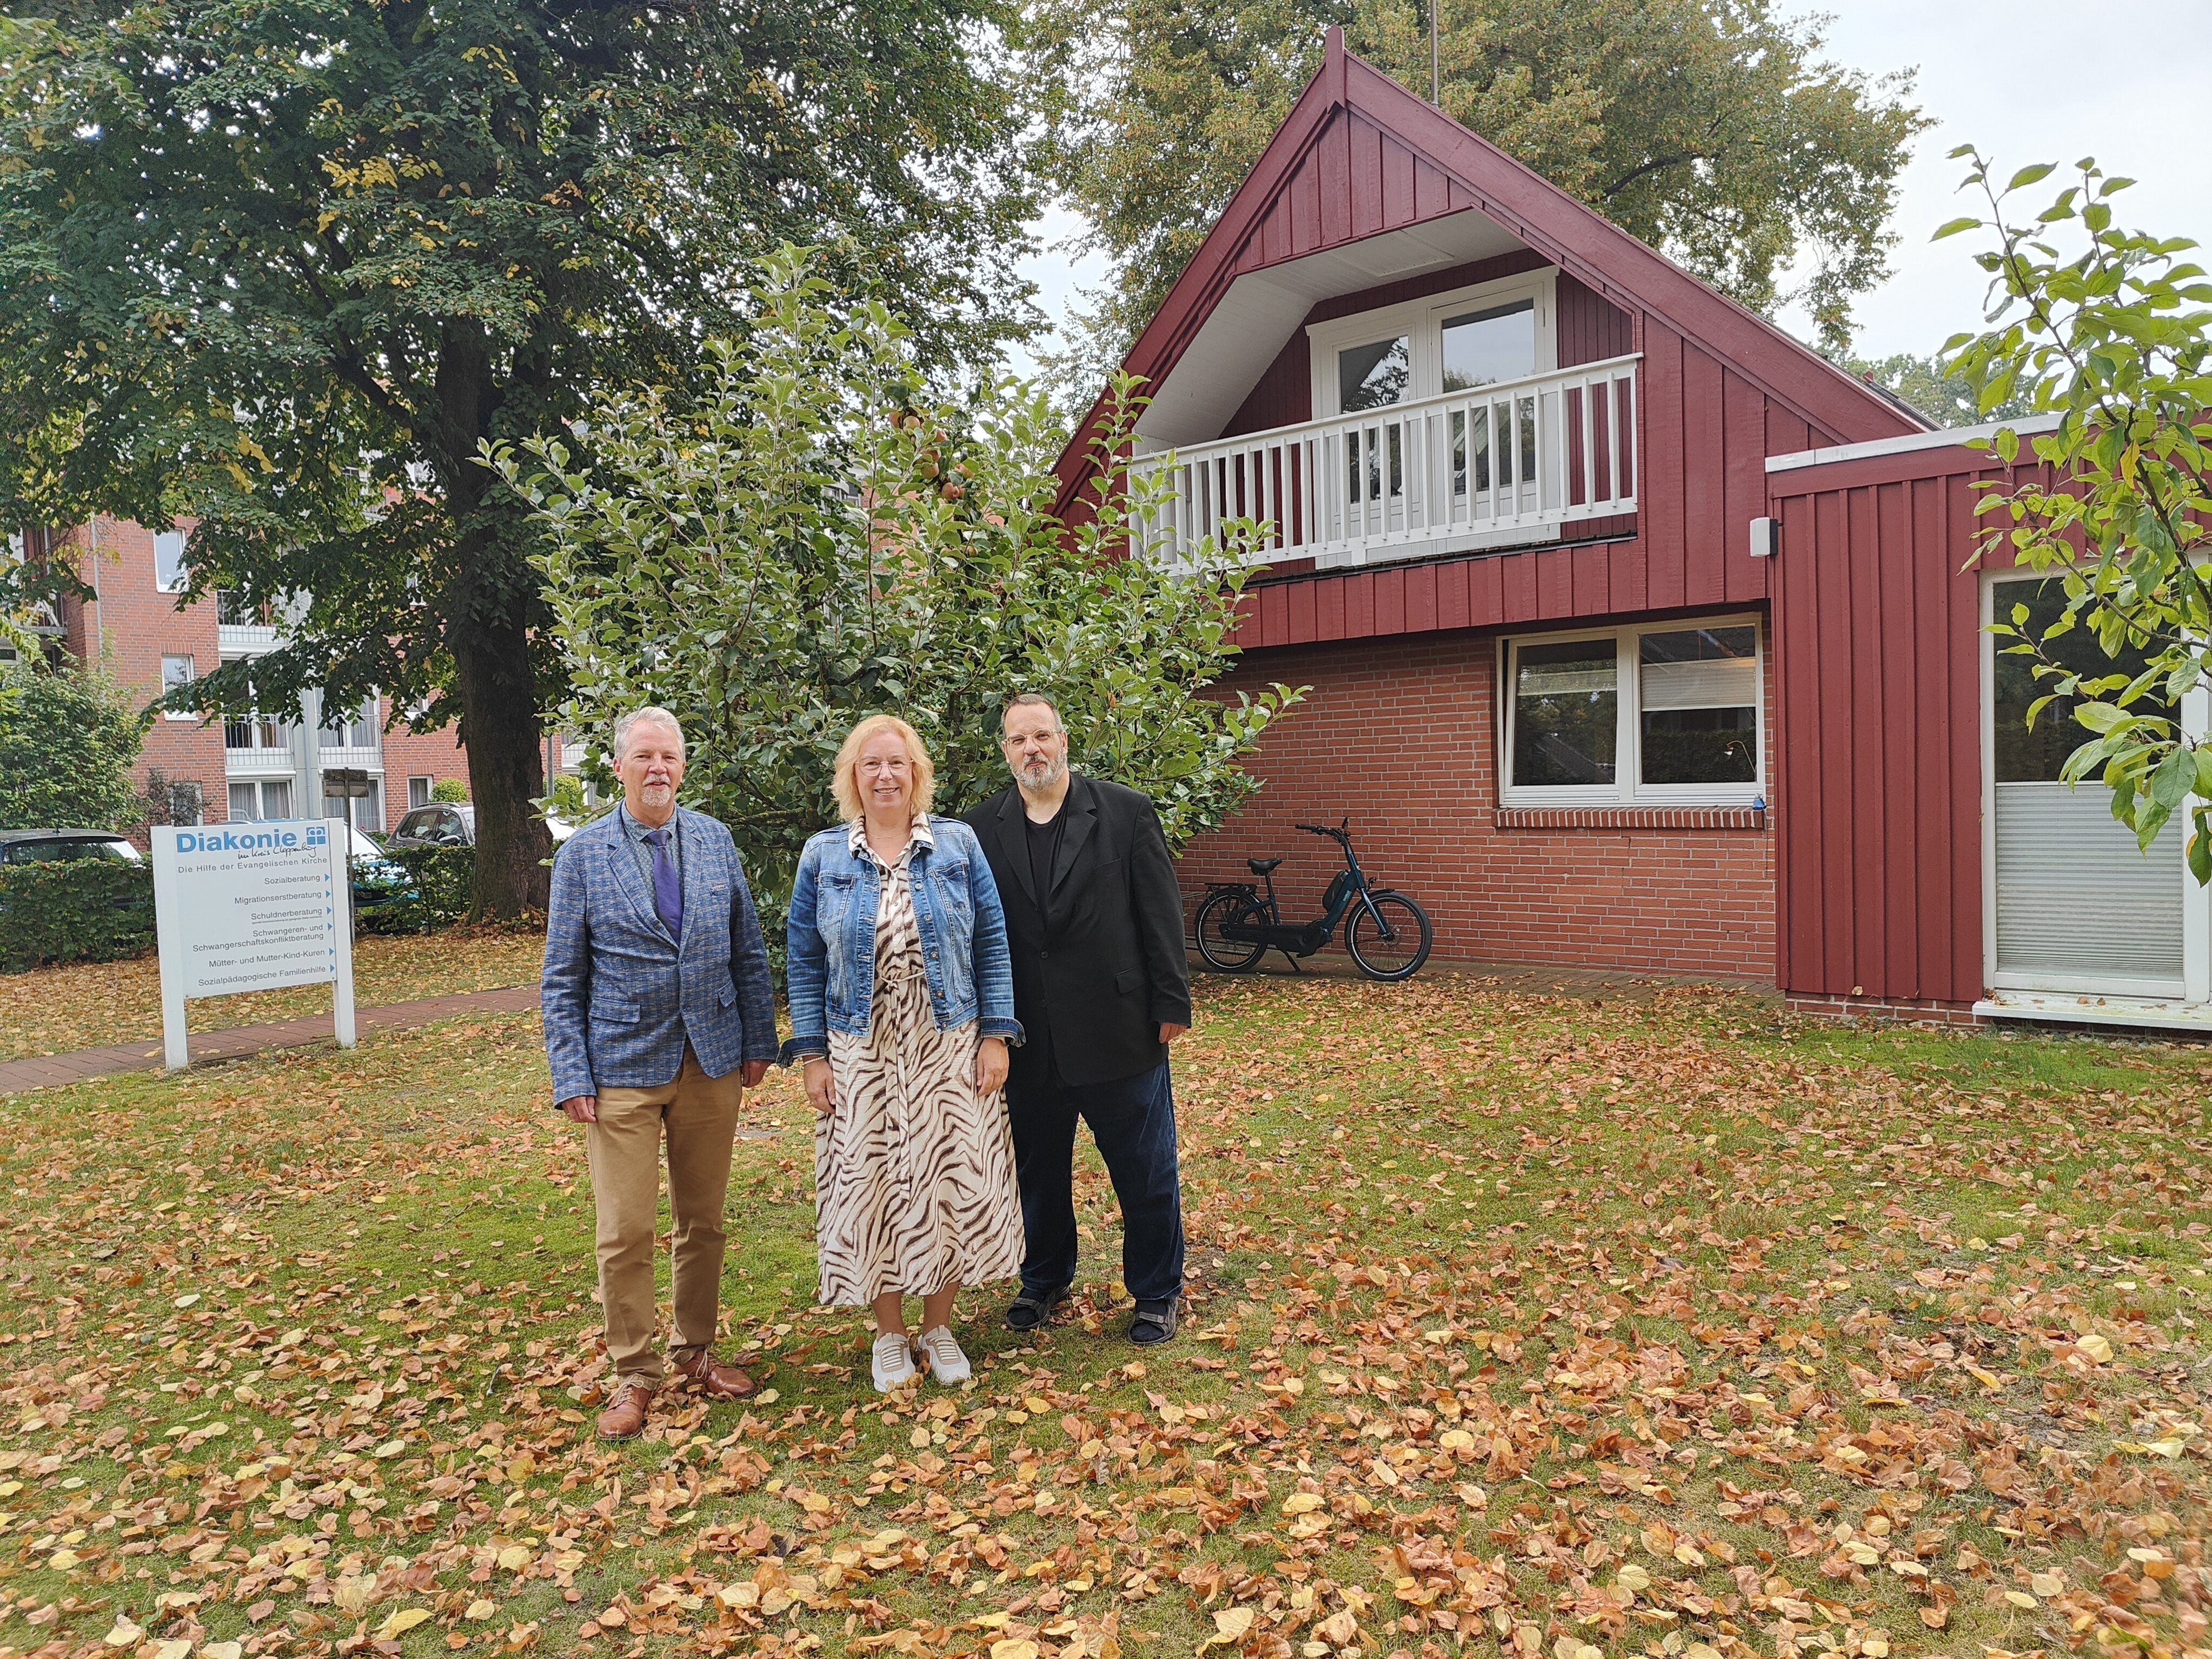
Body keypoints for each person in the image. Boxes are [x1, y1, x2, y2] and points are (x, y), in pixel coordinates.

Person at [541, 706, 779, 1441]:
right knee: (626, 1229)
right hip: (620, 1069)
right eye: (642, 756)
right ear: (617, 767)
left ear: (683, 766)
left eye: (668, 757)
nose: (657, 769)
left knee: (702, 1223)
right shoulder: (583, 855)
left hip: (709, 1062)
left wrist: (757, 1039)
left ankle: (696, 1352)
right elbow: (561, 977)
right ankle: (634, 1374)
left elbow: (747, 950)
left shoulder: (713, 842)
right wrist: (571, 1072)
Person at [783, 714, 1026, 1391]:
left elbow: (992, 943)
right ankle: (889, 1334)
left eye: (897, 763)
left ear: (915, 772)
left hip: (945, 1040)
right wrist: (812, 1055)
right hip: (859, 1045)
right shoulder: (824, 855)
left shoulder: (956, 844)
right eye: (870, 765)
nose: (885, 775)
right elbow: (802, 959)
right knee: (871, 1183)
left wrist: (995, 1035)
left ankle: (938, 1325)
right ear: (852, 778)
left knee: (950, 1178)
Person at [965, 693, 1192, 1345]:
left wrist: (1170, 1000)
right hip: (1027, 1037)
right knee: (1038, 1172)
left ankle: (1155, 1290)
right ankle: (1042, 1278)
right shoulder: (980, 829)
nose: (1031, 749)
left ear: (1063, 740)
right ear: (1004, 751)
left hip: (1119, 1027)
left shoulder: (1124, 811)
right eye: (1017, 740)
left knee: (1144, 1168)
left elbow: (1159, 911)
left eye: (1042, 735)